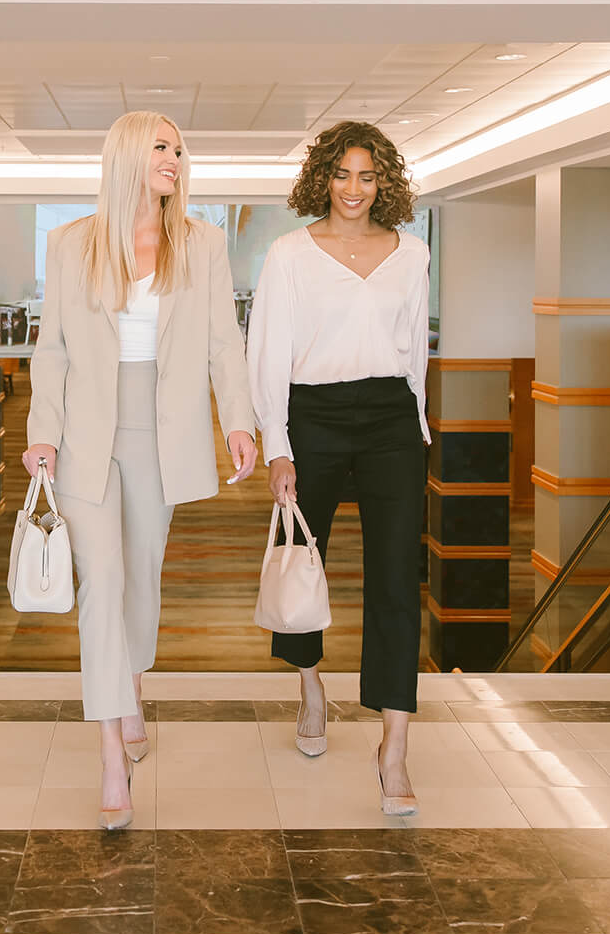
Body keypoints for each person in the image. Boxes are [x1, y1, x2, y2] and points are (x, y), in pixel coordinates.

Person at [24, 109, 258, 829]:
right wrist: (42, 432)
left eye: (181, 150)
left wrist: (238, 419)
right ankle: (109, 761)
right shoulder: (69, 245)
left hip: (165, 432)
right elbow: (53, 348)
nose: (175, 160)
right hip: (87, 432)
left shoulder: (202, 243)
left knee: (142, 581)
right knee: (103, 582)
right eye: (163, 147)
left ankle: (128, 685)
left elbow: (224, 340)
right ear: (128, 152)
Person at [247, 120, 431, 816]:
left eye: (368, 175)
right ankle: (311, 684)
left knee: (395, 581)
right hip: (312, 417)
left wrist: (417, 429)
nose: (354, 190)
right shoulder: (290, 254)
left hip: (390, 420)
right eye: (343, 174)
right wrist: (278, 444)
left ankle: (395, 748)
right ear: (323, 176)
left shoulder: (411, 255)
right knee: (302, 558)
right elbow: (267, 348)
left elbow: (415, 352)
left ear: (384, 182)